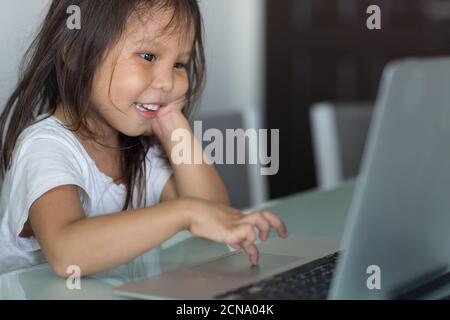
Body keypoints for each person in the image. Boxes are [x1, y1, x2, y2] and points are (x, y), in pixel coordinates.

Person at [0, 0, 287, 279]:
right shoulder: (45, 145)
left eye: (179, 64)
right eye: (148, 56)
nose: (167, 81)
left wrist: (175, 127)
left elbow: (213, 214)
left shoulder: (140, 151)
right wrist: (186, 212)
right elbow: (67, 253)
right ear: (75, 54)